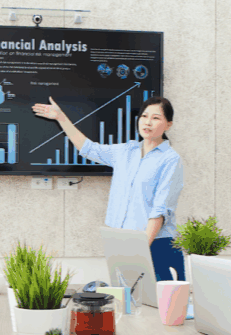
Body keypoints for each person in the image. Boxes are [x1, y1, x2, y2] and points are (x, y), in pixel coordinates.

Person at [33, 96, 185, 281]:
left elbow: (160, 210)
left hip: (156, 244)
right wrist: (61, 118)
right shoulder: (125, 152)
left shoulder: (170, 159)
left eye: (156, 118)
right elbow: (89, 149)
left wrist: (140, 251)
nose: (148, 122)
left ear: (168, 125)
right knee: (127, 302)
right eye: (144, 116)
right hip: (122, 241)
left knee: (162, 305)